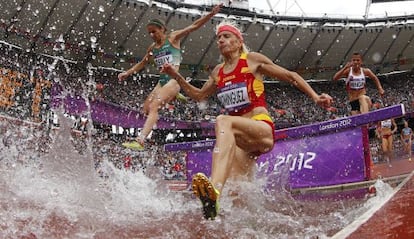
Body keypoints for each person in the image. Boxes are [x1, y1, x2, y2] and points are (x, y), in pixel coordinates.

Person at [161, 21, 333, 220]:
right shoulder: (218, 72)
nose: (221, 41)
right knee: (237, 193)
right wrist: (177, 76)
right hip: (244, 142)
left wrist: (315, 96)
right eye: (218, 38)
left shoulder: (252, 60)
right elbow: (199, 96)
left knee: (222, 121)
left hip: (261, 128)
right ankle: (244, 221)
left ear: (238, 41)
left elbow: (291, 75)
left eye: (226, 36)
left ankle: (214, 190)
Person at [119, 4, 223, 150]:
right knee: (146, 109)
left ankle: (141, 140)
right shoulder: (152, 48)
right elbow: (142, 63)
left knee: (155, 106)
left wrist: (210, 15)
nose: (151, 35)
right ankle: (175, 95)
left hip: (173, 80)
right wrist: (127, 73)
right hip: (162, 82)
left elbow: (193, 26)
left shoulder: (173, 38)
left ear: (162, 29)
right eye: (149, 33)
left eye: (154, 32)